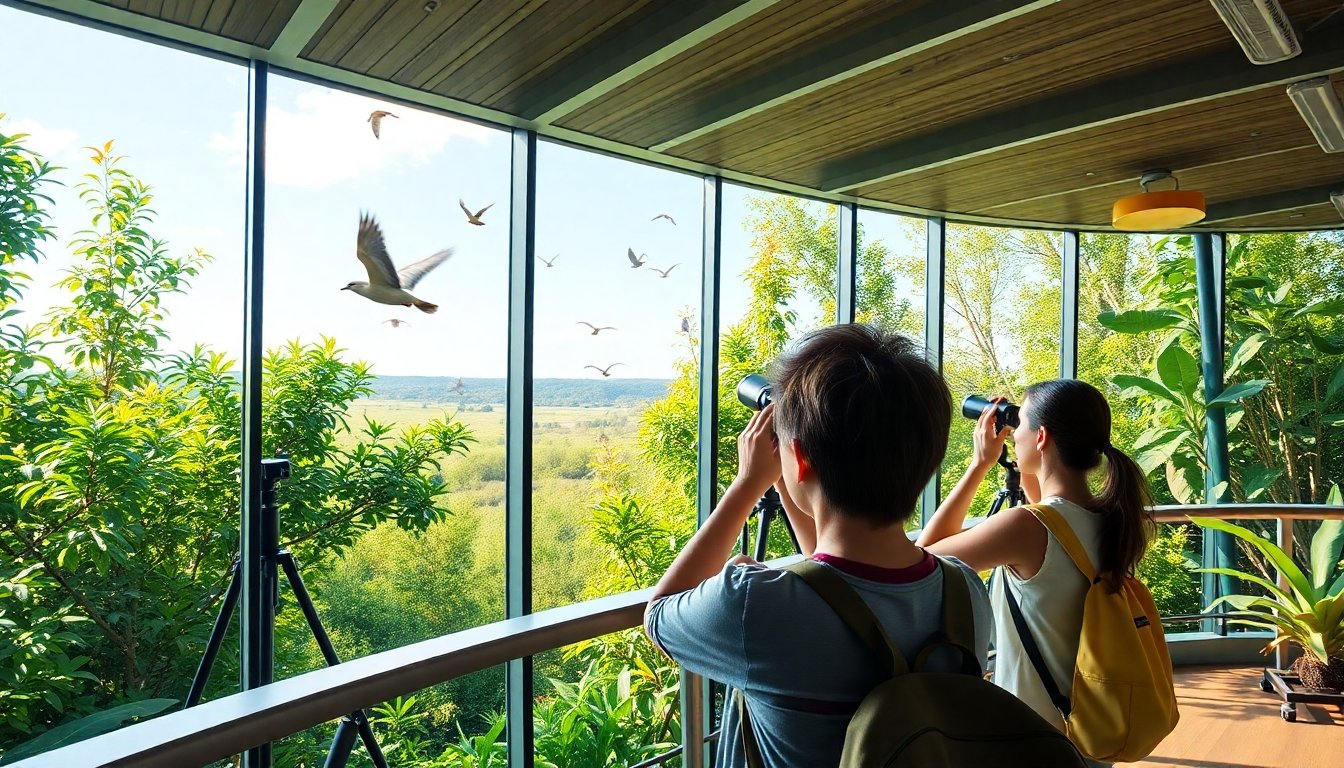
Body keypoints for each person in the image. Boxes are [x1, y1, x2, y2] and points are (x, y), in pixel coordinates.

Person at [643, 324, 992, 768]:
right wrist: (790, 474)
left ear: (801, 458)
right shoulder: (965, 590)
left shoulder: (755, 602)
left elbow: (659, 615)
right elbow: (838, 586)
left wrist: (748, 484)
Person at [915, 379, 1156, 767]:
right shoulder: (1111, 518)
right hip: (1089, 732)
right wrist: (1025, 452)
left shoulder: (1026, 528)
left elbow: (924, 556)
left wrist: (980, 465)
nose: (1015, 433)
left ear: (1041, 437)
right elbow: (1048, 510)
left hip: (1030, 741)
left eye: (1020, 424)